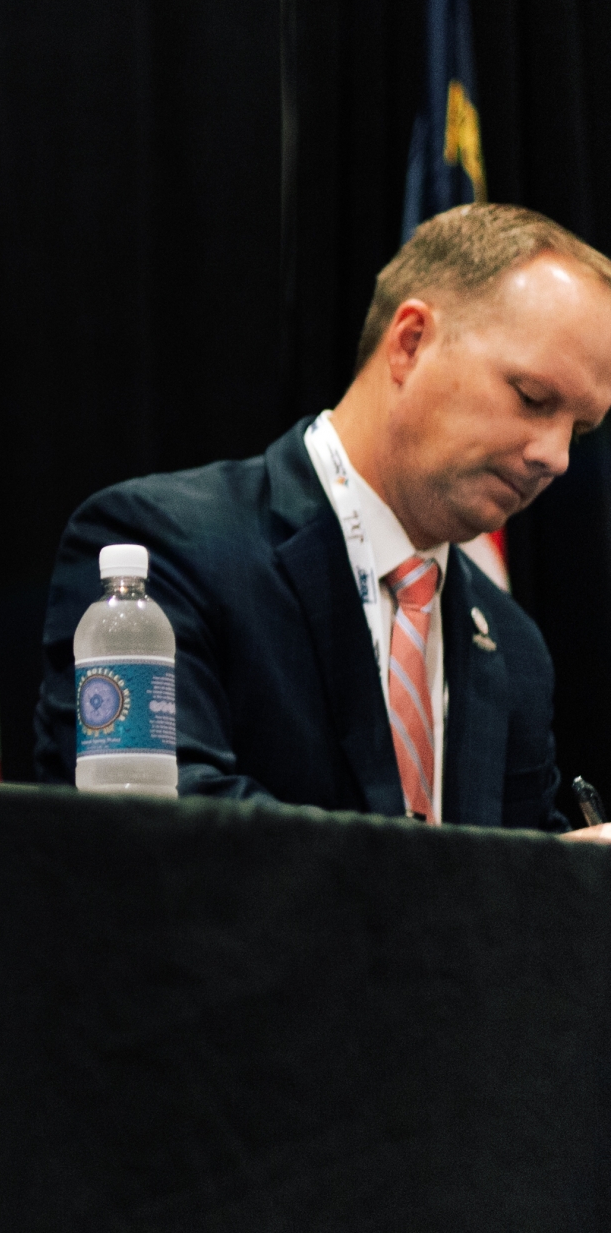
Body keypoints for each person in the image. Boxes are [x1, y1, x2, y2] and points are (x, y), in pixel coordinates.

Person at [35, 204, 611, 835]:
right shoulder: (161, 550)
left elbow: (520, 871)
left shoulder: (513, 646)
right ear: (411, 342)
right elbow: (163, 830)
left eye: (580, 430)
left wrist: (578, 870)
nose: (555, 456)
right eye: (533, 397)